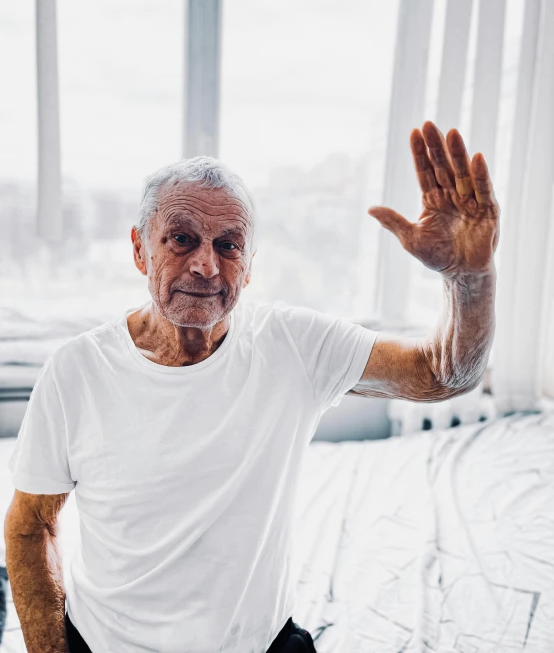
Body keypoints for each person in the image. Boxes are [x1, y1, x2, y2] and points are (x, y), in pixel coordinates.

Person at [4, 120, 499, 653]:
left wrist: (470, 279)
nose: (205, 264)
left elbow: (444, 373)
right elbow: (31, 528)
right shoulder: (74, 371)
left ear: (250, 265)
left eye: (229, 245)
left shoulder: (292, 345)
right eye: (182, 239)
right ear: (140, 249)